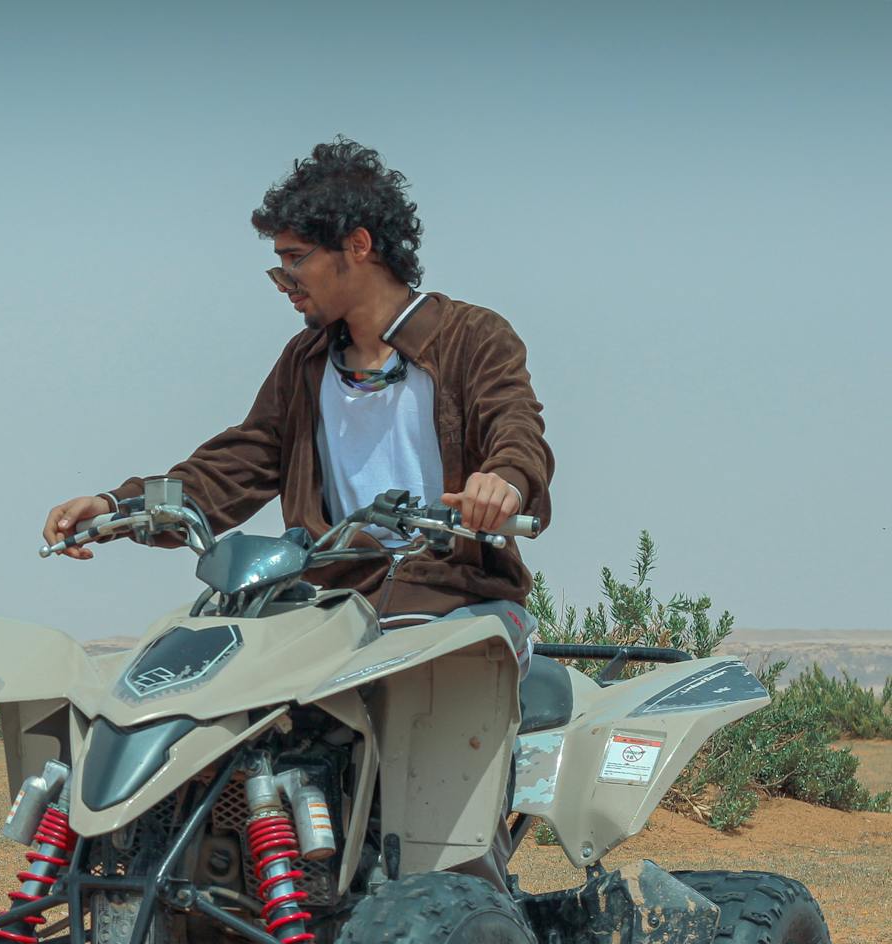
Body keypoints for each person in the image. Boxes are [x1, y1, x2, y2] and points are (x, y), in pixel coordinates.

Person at [42, 138, 553, 664]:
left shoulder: (472, 337)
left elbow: (514, 428)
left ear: (357, 245)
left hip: (452, 594)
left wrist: (504, 483)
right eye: (277, 263)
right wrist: (117, 505)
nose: (283, 281)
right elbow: (241, 462)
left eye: (294, 259)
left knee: (441, 694)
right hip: (329, 601)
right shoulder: (307, 360)